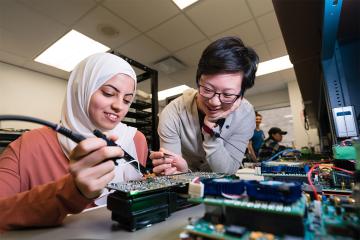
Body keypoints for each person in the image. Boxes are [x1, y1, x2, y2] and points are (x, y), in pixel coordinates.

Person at [0, 53, 148, 231]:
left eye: (127, 99)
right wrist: (69, 191)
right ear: (81, 90)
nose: (119, 106)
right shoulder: (27, 146)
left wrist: (174, 179)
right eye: (108, 93)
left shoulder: (136, 139)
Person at [150, 36, 259, 175]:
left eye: (227, 95)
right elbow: (172, 174)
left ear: (241, 95)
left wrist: (210, 131)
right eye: (207, 89)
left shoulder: (246, 114)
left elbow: (228, 171)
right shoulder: (173, 112)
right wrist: (182, 172)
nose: (214, 102)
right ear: (197, 81)